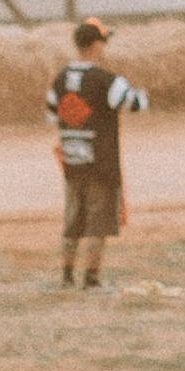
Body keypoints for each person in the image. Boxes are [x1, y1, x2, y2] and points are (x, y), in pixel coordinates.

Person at [46, 15, 149, 287]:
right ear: (95, 45)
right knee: (97, 225)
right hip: (101, 162)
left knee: (72, 223)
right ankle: (91, 279)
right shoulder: (106, 80)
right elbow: (133, 104)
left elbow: (52, 115)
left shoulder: (60, 79)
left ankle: (67, 276)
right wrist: (142, 94)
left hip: (72, 161)